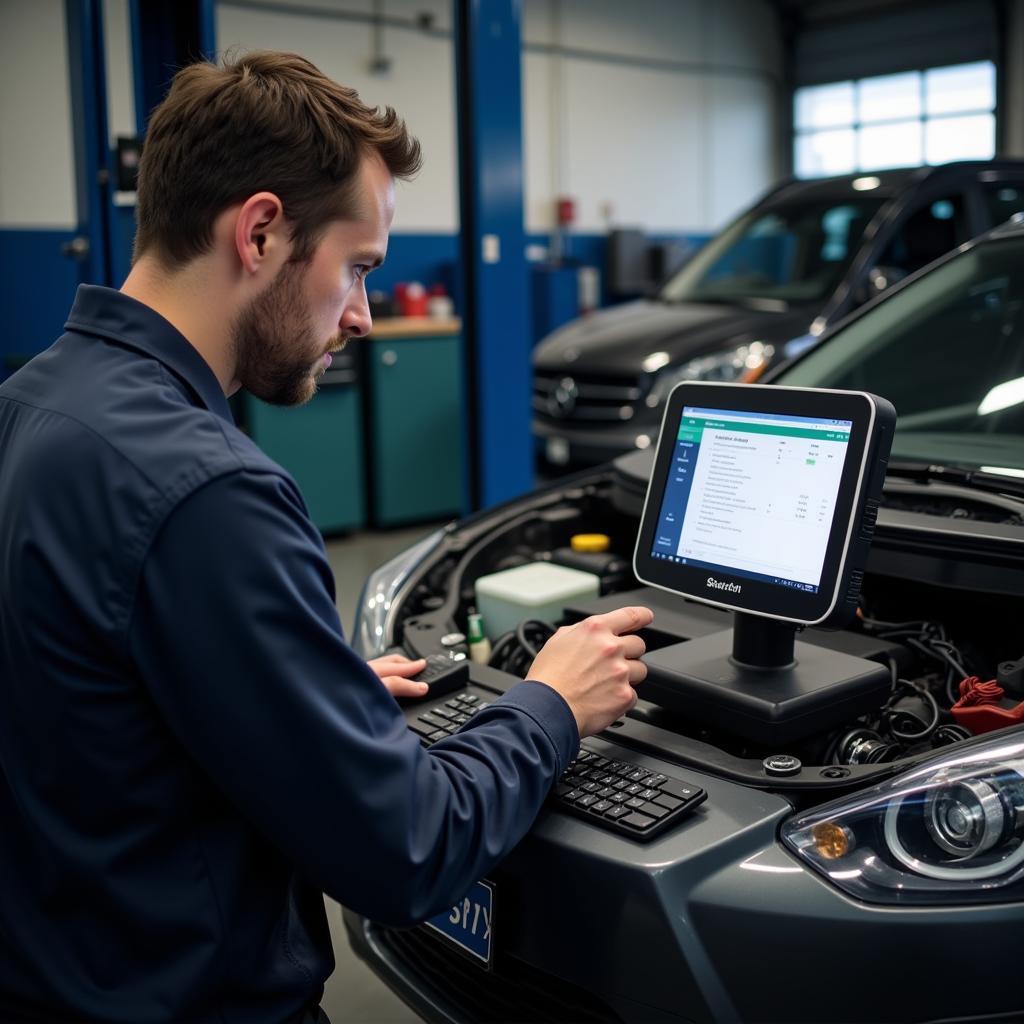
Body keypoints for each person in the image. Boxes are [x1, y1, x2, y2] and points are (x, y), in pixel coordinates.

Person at [0, 51, 652, 1023]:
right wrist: (549, 706)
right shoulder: (209, 491)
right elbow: (409, 849)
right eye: (356, 268)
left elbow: (97, 712)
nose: (360, 315)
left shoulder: (30, 403)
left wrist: (310, 711)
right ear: (260, 231)